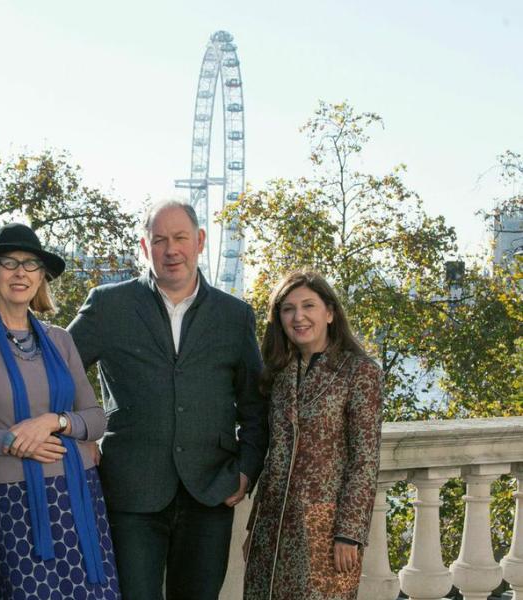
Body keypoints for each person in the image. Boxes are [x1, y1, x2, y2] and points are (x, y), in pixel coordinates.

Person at [67, 199, 268, 600]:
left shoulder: (234, 316)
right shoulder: (109, 305)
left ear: (200, 241)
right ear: (145, 248)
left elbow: (255, 406)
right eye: (160, 240)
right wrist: (80, 434)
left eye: (180, 238)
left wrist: (247, 470)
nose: (171, 249)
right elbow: (57, 370)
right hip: (130, 492)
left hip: (210, 492)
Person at [0, 223, 121, 600]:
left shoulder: (60, 339)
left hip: (78, 494)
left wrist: (53, 422)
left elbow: (96, 418)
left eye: (31, 264)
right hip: (10, 501)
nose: (21, 272)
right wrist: (10, 441)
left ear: (41, 277)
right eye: (10, 263)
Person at [242, 270, 384, 600]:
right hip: (273, 528)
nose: (299, 316)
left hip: (326, 529)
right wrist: (255, 526)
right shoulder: (278, 374)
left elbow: (364, 460)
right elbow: (274, 456)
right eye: (288, 308)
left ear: (330, 312)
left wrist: (349, 533)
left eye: (309, 305)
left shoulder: (360, 372)